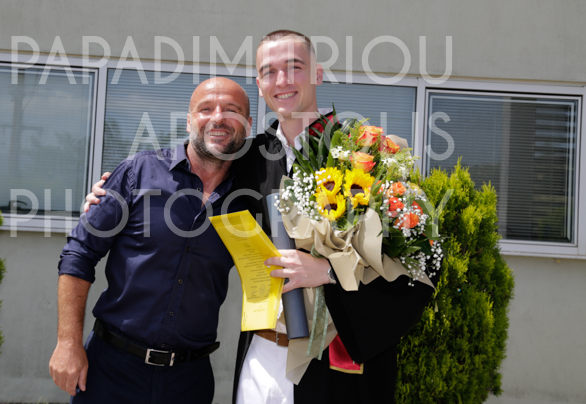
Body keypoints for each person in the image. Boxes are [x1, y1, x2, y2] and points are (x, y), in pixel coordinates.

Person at [87, 30, 439, 404]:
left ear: (318, 74)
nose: (282, 80)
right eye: (270, 71)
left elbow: (423, 262)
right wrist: (109, 197)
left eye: (294, 67)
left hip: (335, 368)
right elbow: (191, 184)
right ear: (259, 84)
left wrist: (329, 271)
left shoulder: (366, 153)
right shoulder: (246, 160)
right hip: (260, 359)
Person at [49, 77, 253, 403]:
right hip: (110, 370)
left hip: (189, 381)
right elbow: (80, 252)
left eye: (232, 110)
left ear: (248, 124)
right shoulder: (138, 172)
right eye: (206, 109)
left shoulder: (251, 198)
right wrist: (68, 342)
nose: (218, 118)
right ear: (189, 121)